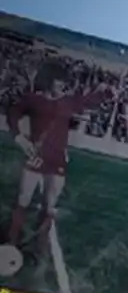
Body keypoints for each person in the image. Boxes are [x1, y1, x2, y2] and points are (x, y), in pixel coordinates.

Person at [5, 62, 110, 246]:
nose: (63, 85)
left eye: (64, 82)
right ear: (49, 81)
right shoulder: (33, 99)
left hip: (58, 160)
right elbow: (12, 113)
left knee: (49, 205)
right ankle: (11, 242)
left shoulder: (68, 102)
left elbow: (89, 101)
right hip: (36, 157)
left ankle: (39, 246)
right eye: (58, 81)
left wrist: (105, 93)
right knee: (23, 199)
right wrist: (19, 138)